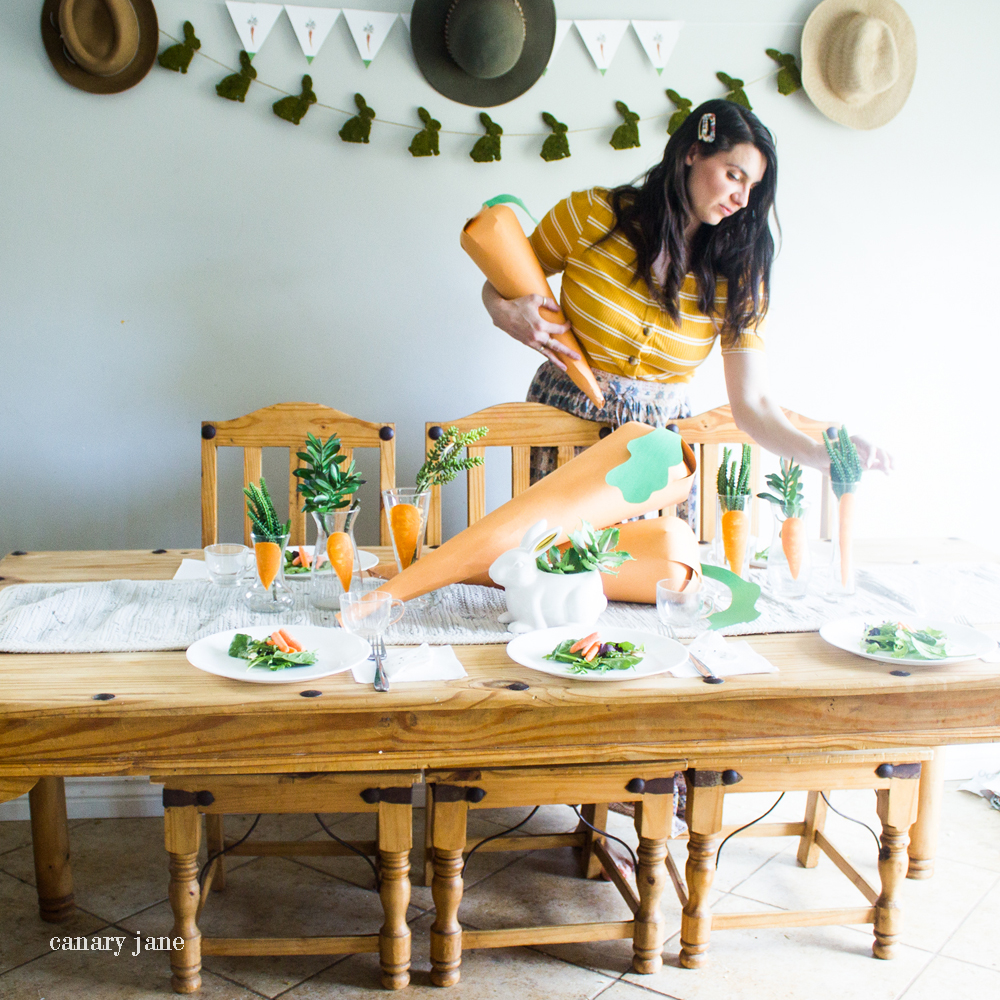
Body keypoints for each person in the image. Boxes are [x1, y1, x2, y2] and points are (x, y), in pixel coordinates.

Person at [482, 99, 892, 504]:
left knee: (657, 566)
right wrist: (502, 313)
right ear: (692, 153)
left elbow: (753, 403)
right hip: (560, 433)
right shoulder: (591, 213)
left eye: (753, 188)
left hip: (656, 458)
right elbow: (501, 278)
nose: (742, 200)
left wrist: (820, 456)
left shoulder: (739, 274)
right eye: (734, 176)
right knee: (550, 566)